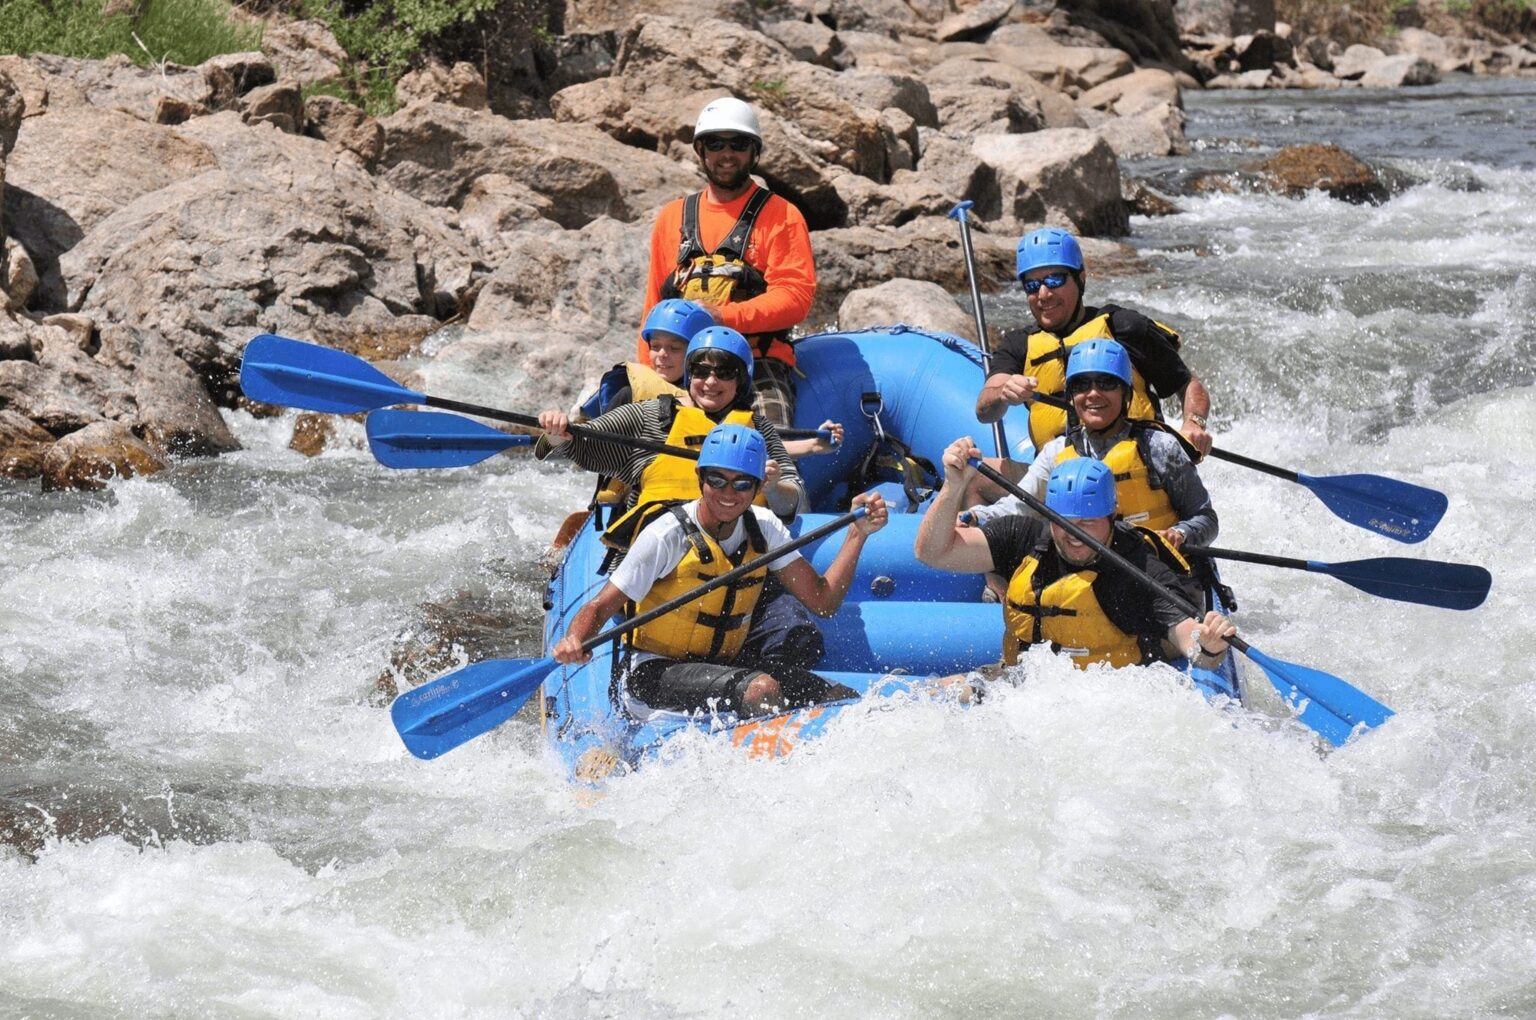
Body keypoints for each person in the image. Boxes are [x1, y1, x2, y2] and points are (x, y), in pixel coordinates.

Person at [552, 424, 889, 717]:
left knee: (840, 699)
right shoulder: (665, 536)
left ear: (758, 485)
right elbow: (599, 607)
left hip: (727, 663)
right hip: (654, 671)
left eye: (742, 484)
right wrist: (576, 639)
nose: (729, 494)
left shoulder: (765, 528)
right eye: (718, 480)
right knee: (761, 690)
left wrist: (856, 535)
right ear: (700, 479)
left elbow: (823, 602)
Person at [916, 448, 1235, 672]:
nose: (1073, 535)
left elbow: (1190, 640)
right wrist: (954, 486)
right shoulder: (1025, 538)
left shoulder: (1139, 569)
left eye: (1088, 523)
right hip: (1022, 687)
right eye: (1064, 522)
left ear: (1113, 517)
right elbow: (933, 552)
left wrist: (1207, 644)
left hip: (1107, 703)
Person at [640, 96, 816, 432]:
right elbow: (654, 307)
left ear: (754, 151)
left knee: (771, 454)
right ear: (701, 151)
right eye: (715, 144)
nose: (726, 154)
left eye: (738, 144)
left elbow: (795, 298)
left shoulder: (782, 215)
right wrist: (648, 375)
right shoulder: (671, 218)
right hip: (685, 364)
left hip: (758, 363)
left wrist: (722, 316)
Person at [538, 326, 806, 546]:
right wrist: (557, 432)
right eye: (701, 372)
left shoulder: (758, 429)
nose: (711, 382)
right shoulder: (649, 417)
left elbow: (796, 503)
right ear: (690, 375)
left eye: (724, 373)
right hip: (655, 562)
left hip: (735, 562)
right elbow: (580, 446)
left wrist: (773, 487)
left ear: (741, 380)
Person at [974, 227, 1213, 459]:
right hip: (1055, 475)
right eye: (1032, 285)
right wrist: (1002, 394)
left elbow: (1187, 384)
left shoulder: (1124, 327)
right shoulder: (1019, 344)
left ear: (1080, 278)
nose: (1044, 294)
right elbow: (985, 409)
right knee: (971, 477)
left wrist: (1194, 423)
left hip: (1137, 468)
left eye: (1055, 280)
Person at [969, 338, 1218, 552]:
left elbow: (1206, 518)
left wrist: (1181, 533)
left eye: (1107, 383)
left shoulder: (1159, 448)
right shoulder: (1056, 453)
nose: (1093, 394)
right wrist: (977, 516)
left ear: (1126, 395)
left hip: (1157, 570)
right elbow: (1018, 506)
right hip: (1090, 574)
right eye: (1081, 385)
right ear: (1071, 397)